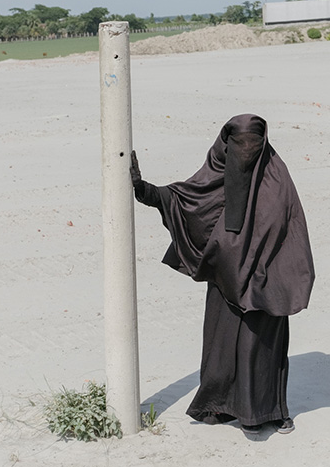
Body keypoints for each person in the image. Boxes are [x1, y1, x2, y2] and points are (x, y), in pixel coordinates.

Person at [131, 114, 314, 434]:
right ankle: (219, 406)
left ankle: (268, 412)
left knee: (260, 349)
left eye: (252, 144)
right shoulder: (217, 172)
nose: (246, 151)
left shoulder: (276, 177)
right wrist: (142, 188)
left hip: (263, 279)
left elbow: (288, 229)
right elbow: (182, 200)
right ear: (225, 145)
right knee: (222, 349)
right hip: (225, 279)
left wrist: (261, 269)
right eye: (239, 144)